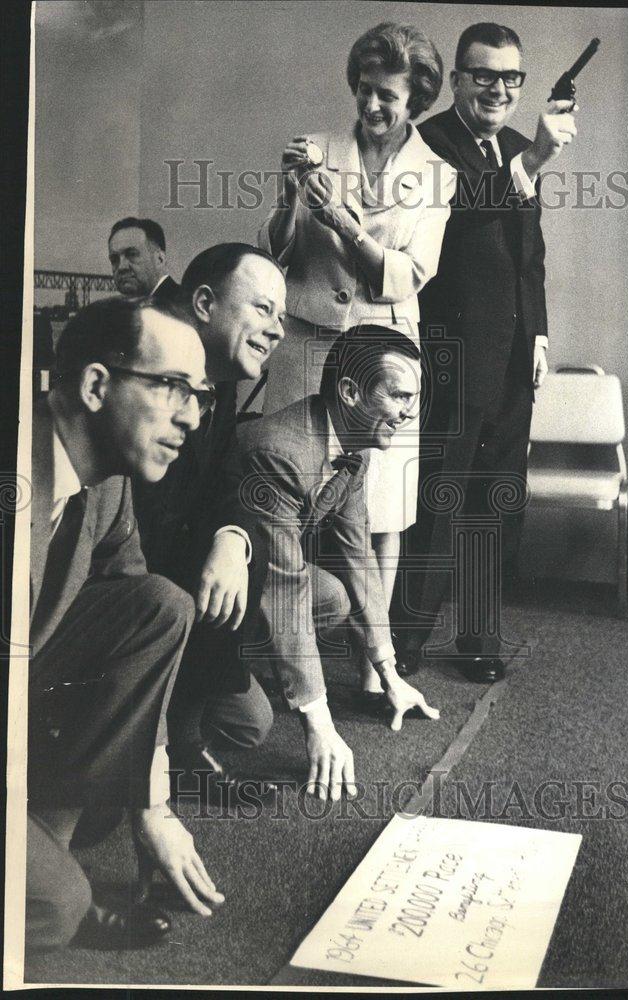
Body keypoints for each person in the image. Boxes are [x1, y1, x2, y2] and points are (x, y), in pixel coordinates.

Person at [258, 21, 455, 688]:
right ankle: (285, 655)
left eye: (390, 98)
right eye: (367, 91)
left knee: (382, 507)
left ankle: (379, 663)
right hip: (308, 341)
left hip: (384, 357)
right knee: (291, 497)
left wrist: (340, 219)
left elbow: (400, 277)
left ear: (416, 101)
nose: (373, 106)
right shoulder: (315, 148)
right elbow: (276, 255)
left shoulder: (437, 175)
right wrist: (289, 200)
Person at [26, 296, 224, 952]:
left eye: (199, 395)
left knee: (161, 604)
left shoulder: (105, 481)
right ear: (94, 385)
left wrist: (153, 806)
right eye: (173, 388)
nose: (192, 416)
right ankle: (51, 881)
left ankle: (47, 849)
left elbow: (143, 620)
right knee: (57, 908)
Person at [397, 22, 578, 683]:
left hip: (510, 361)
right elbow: (462, 207)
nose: (498, 90)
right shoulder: (426, 143)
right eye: (484, 76)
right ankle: (404, 644)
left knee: (493, 505)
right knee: (436, 502)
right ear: (456, 80)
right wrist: (530, 164)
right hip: (450, 355)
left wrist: (538, 334)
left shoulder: (516, 146)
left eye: (511, 78)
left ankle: (477, 641)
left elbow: (530, 256)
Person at [240, 327, 439, 802]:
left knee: (333, 595)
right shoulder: (281, 450)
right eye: (398, 396)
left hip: (255, 575)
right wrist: (319, 722)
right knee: (249, 726)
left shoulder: (354, 445)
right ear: (350, 392)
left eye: (414, 397)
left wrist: (390, 674)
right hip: (203, 577)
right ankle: (216, 663)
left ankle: (250, 657)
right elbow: (284, 590)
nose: (410, 412)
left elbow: (360, 556)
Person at [131, 244, 287, 794]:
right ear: (203, 302)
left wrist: (230, 539)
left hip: (167, 572)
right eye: (264, 310)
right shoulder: (145, 363)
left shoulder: (216, 373)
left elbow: (228, 483)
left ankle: (179, 730)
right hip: (113, 583)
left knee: (251, 726)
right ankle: (163, 744)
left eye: (282, 318)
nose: (278, 331)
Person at [108, 216, 179, 299]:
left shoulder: (186, 305)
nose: (121, 267)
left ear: (160, 259)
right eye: (114, 260)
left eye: (132, 254)